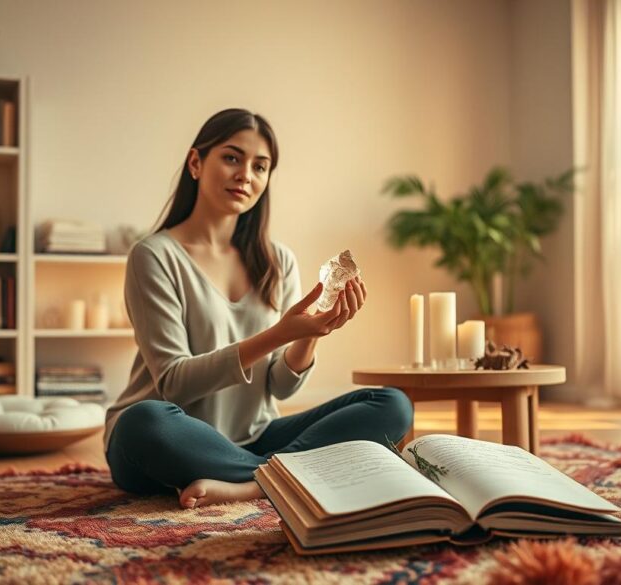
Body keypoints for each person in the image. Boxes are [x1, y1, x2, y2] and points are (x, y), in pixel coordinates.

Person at [105, 108, 413, 509]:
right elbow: (175, 382)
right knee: (143, 422)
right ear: (196, 163)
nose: (245, 175)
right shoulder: (154, 255)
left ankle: (252, 484)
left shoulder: (277, 260)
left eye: (260, 166)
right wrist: (280, 333)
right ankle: (283, 474)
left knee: (392, 405)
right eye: (232, 158)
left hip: (253, 435)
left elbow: (280, 386)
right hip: (170, 441)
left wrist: (307, 338)